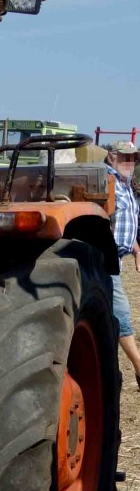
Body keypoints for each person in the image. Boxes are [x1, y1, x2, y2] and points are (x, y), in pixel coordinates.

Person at [107, 141, 140, 390]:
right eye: (124, 157)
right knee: (121, 313)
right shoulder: (106, 181)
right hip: (103, 259)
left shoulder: (125, 184)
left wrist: (136, 249)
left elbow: (125, 223)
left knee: (115, 315)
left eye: (133, 158)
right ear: (111, 157)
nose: (130, 162)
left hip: (116, 259)